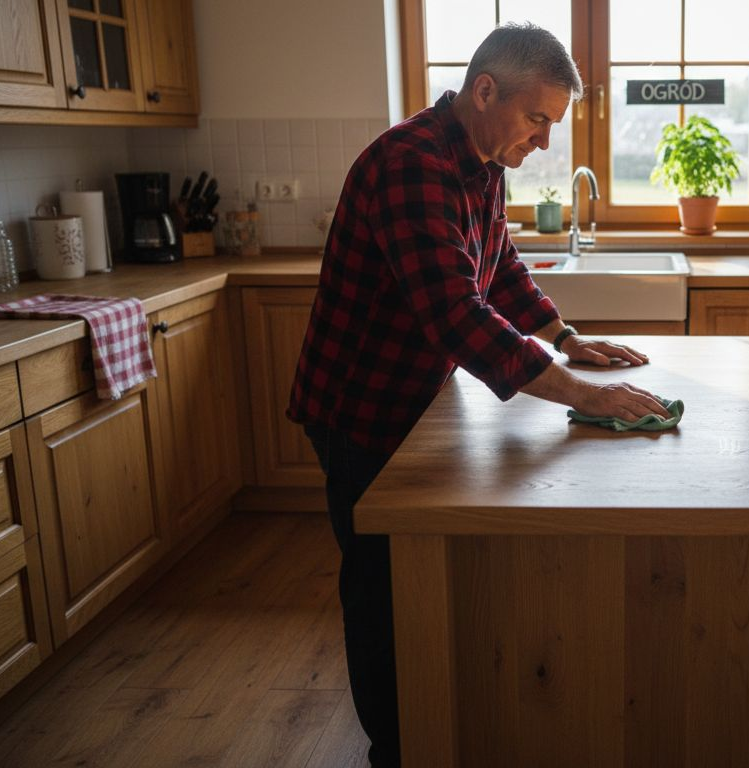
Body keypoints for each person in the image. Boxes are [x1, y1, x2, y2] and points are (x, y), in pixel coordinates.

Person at [286, 22, 668, 768]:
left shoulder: (480, 162)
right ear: (485, 90)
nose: (545, 144)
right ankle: (395, 751)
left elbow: (497, 267)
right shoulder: (410, 165)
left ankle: (442, 724)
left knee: (420, 581)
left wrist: (565, 337)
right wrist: (582, 397)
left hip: (411, 403)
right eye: (538, 120)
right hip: (359, 411)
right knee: (378, 589)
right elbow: (457, 313)